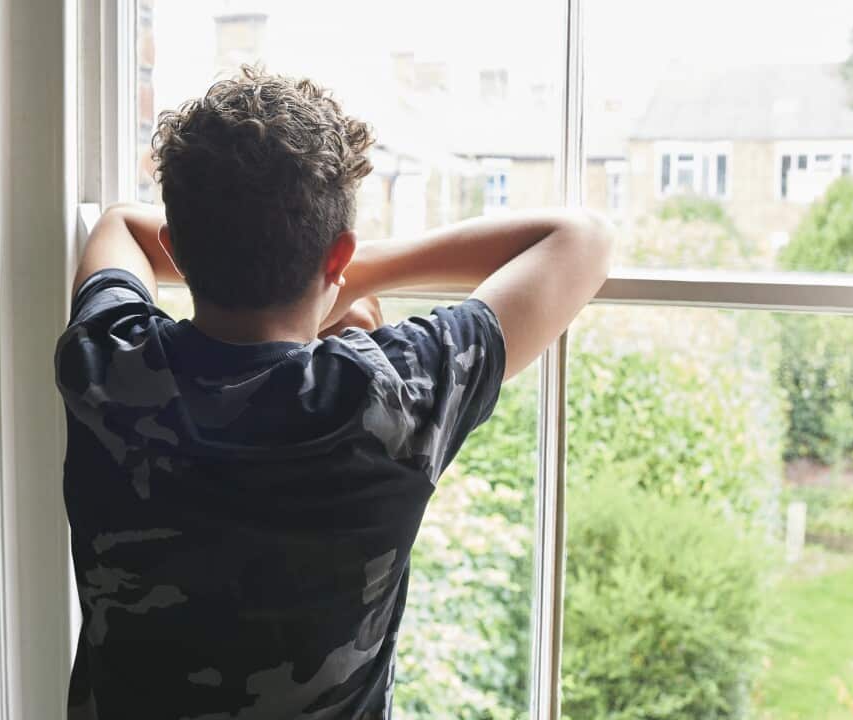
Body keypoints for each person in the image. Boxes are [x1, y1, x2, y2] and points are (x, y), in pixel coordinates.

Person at [56, 66, 612, 720]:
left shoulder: (108, 365)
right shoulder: (386, 394)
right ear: (337, 252)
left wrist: (322, 270)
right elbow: (582, 239)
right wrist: (348, 273)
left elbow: (119, 225)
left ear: (176, 252)